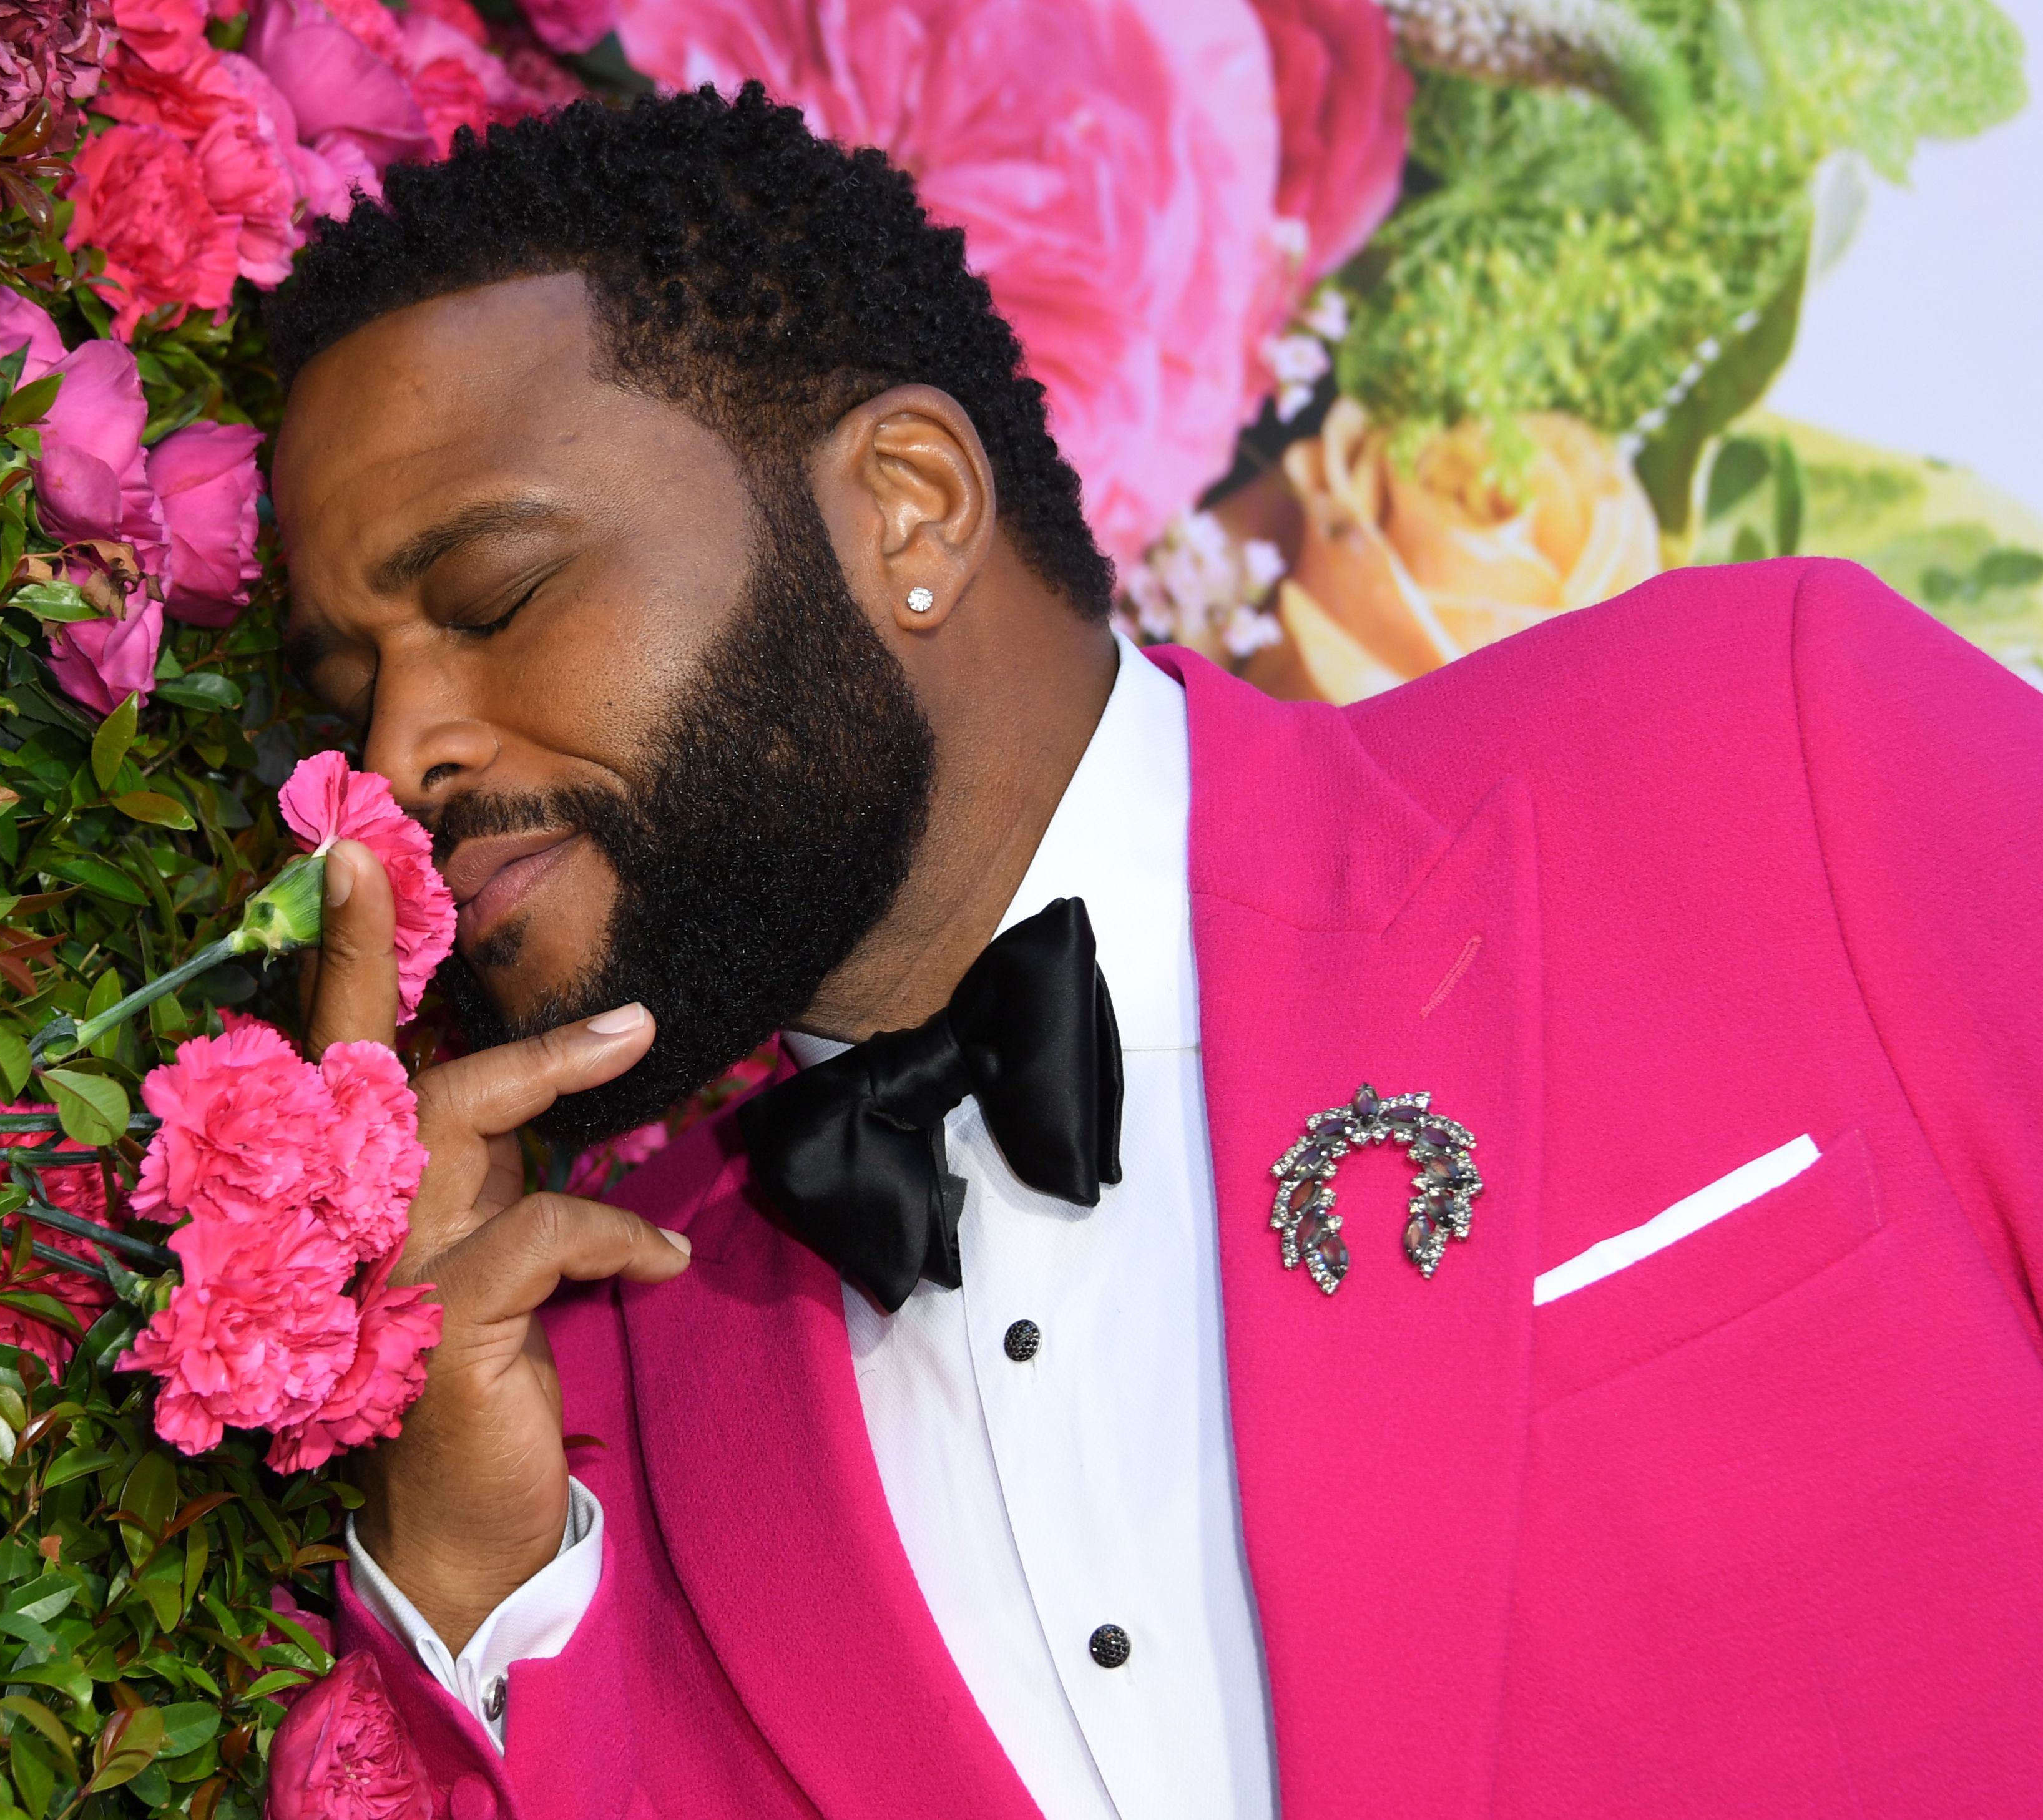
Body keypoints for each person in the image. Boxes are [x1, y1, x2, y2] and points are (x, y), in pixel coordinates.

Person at [265, 86, 2043, 1820]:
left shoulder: (1756, 752)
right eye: (350, 691)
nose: (402, 752)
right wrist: (470, 1569)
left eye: (491, 600)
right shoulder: (587, 1404)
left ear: (907, 505)